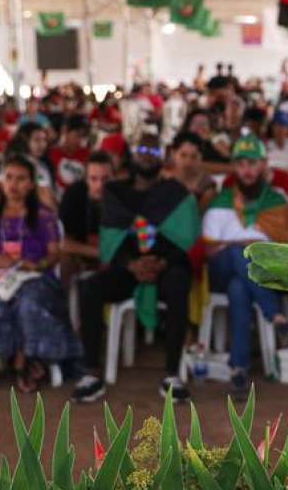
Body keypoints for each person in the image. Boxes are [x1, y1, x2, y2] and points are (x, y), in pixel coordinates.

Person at [71, 152, 199, 404]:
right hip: (127, 267)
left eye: (154, 152)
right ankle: (90, 373)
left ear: (162, 159)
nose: (148, 158)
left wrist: (160, 262)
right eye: (142, 151)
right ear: (132, 157)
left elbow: (185, 237)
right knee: (91, 287)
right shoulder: (116, 192)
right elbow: (110, 236)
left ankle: (172, 375)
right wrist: (131, 264)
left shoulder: (175, 193)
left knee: (178, 284)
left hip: (166, 265)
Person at [0, 155, 82, 392]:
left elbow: (55, 254)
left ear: (31, 184)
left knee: (29, 301)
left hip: (35, 277)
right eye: (8, 178)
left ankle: (26, 358)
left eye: (21, 179)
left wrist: (36, 264)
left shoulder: (43, 215)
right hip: (0, 279)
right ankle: (8, 357)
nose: (13, 184)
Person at [202, 135, 288, 400]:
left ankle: (238, 371)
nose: (247, 170)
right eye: (241, 164)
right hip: (222, 269)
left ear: (264, 165)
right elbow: (208, 250)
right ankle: (276, 316)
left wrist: (257, 251)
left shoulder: (278, 203)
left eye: (253, 163)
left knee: (239, 288)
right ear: (234, 167)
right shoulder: (220, 202)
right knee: (238, 251)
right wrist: (243, 244)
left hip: (266, 274)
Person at [59, 151, 113, 282]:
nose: (100, 185)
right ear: (85, 178)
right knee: (65, 260)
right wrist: (98, 252)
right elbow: (63, 243)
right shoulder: (73, 194)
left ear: (113, 177)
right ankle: (68, 301)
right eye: (94, 179)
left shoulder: (122, 195)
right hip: (82, 254)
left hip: (114, 255)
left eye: (105, 179)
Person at [164, 131, 217, 211]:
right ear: (173, 154)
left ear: (201, 157)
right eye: (183, 155)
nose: (188, 162)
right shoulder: (161, 178)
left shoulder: (207, 186)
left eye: (194, 157)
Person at [49, 114, 91, 190]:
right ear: (65, 131)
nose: (80, 141)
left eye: (83, 136)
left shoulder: (87, 154)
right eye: (77, 135)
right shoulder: (50, 153)